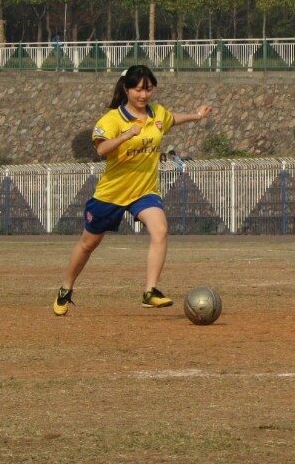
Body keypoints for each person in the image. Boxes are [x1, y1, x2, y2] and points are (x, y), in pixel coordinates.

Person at [53, 64, 213, 315]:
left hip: (144, 191)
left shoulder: (157, 113)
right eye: (138, 89)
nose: (143, 95)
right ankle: (66, 288)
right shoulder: (112, 119)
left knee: (160, 230)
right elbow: (101, 150)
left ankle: (150, 291)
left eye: (148, 89)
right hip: (112, 193)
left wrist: (197, 115)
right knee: (87, 244)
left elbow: (171, 119)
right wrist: (126, 135)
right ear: (126, 89)